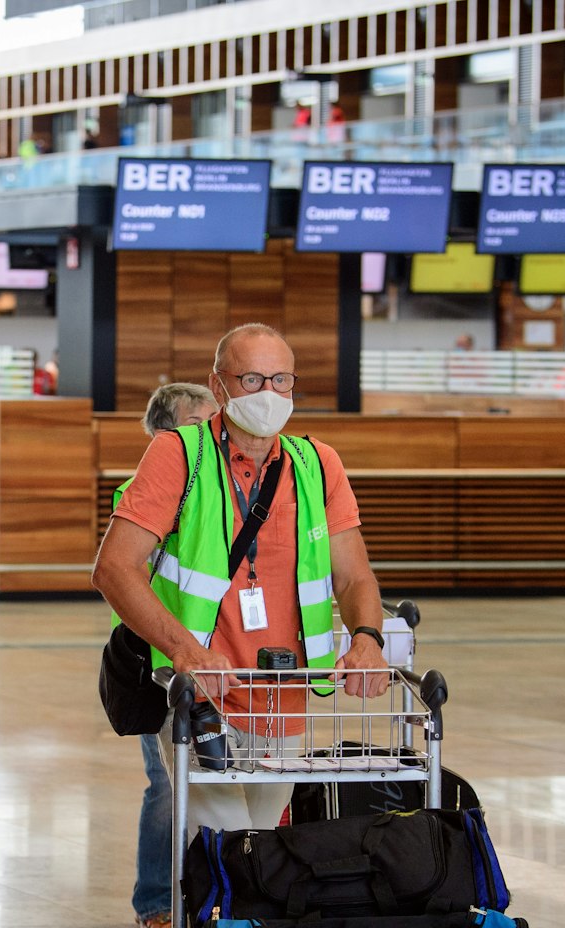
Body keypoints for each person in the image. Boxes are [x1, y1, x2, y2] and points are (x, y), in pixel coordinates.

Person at [93, 323, 391, 854]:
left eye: (281, 380)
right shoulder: (179, 455)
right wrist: (186, 651)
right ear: (220, 384)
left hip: (283, 693)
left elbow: (354, 575)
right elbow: (114, 568)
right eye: (252, 378)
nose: (269, 394)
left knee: (267, 837)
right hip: (200, 693)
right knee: (226, 840)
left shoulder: (318, 465)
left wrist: (367, 638)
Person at [116, 383, 220, 928]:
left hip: (220, 663)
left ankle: (217, 894)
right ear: (164, 438)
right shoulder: (141, 494)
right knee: (166, 782)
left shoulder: (227, 491)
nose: (212, 436)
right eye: (197, 426)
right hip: (162, 663)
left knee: (220, 784)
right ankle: (155, 899)